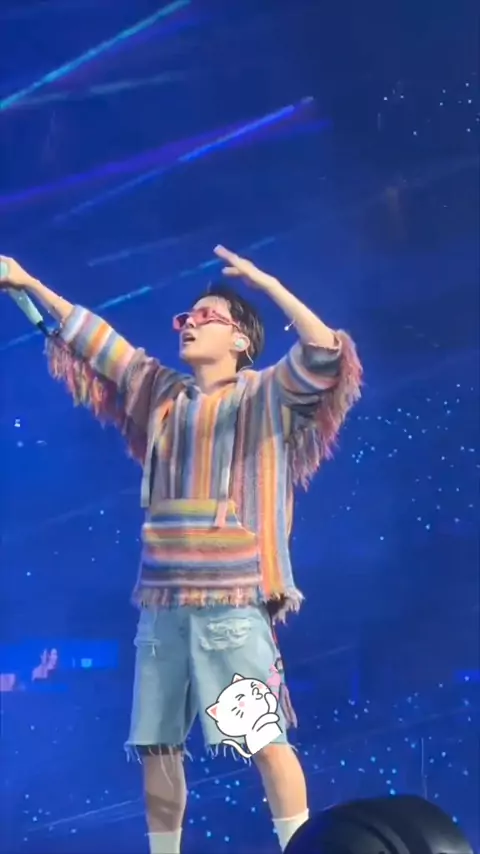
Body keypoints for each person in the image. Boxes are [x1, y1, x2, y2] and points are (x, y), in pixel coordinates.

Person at [0, 246, 362, 854]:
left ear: (241, 340)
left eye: (206, 316)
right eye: (185, 318)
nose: (189, 324)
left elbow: (325, 350)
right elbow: (97, 341)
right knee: (157, 747)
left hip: (231, 600)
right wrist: (27, 281)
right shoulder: (161, 394)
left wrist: (268, 283)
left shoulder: (267, 395)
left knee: (263, 738)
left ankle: (297, 849)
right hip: (163, 602)